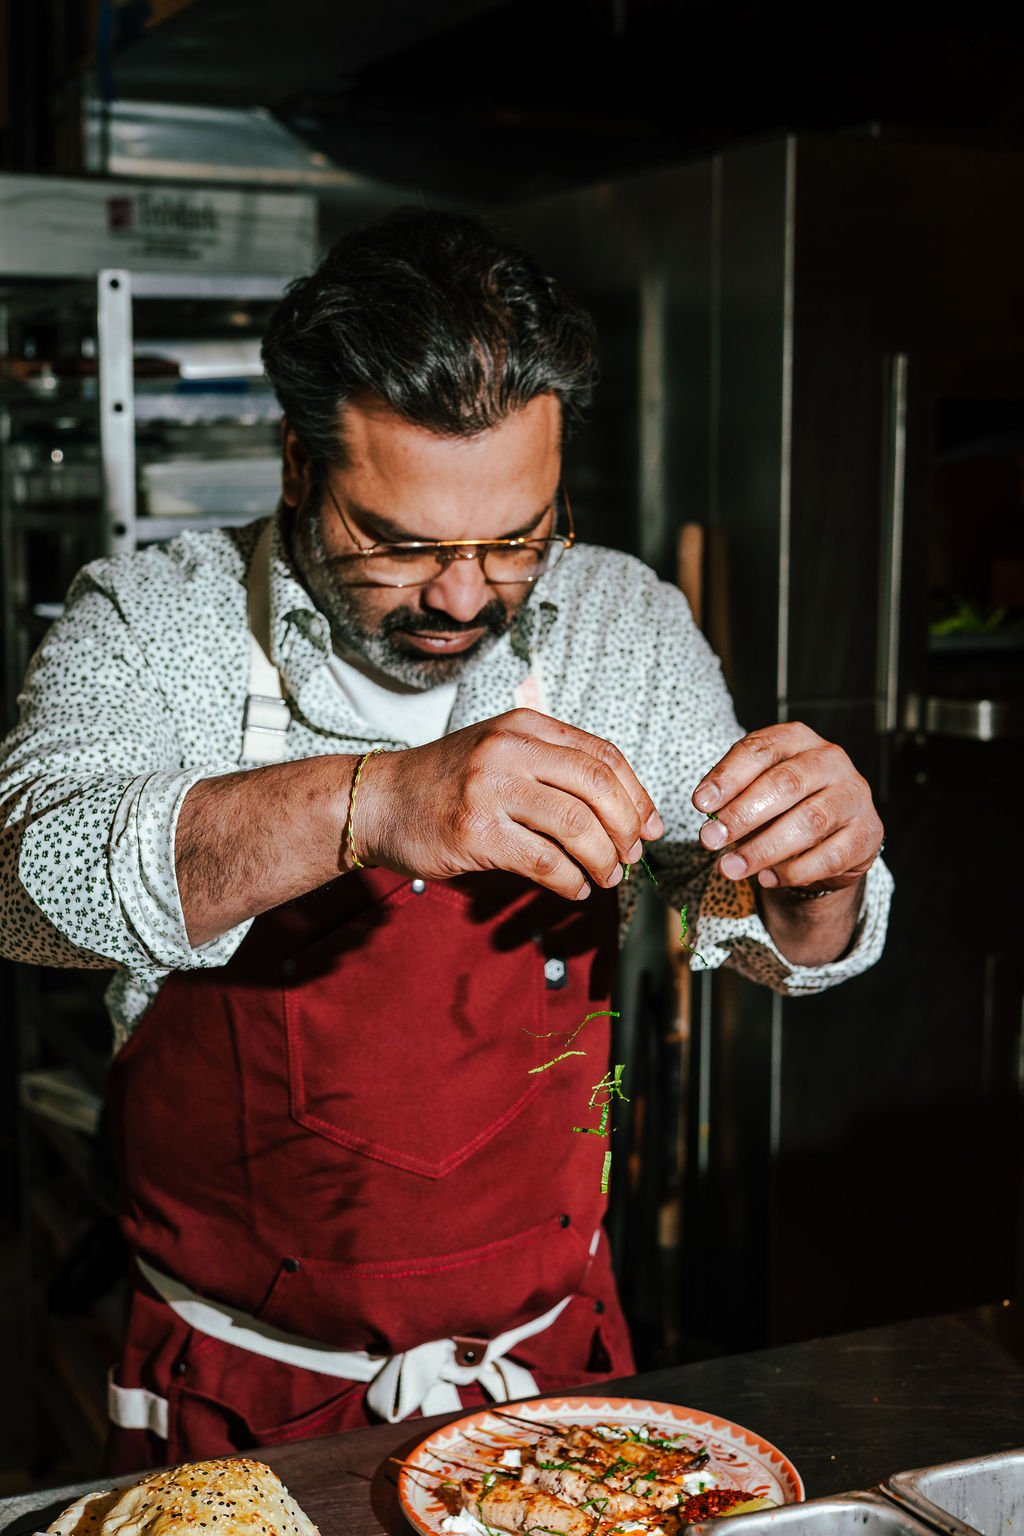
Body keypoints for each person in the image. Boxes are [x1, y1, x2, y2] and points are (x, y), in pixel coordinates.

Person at [0, 209, 890, 1471]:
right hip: (250, 1409)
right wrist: (376, 801)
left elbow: (762, 940)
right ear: (300, 472)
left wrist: (821, 878)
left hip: (550, 1382)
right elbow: (29, 885)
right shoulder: (156, 621)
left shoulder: (616, 626)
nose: (463, 595)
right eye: (402, 543)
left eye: (515, 538)